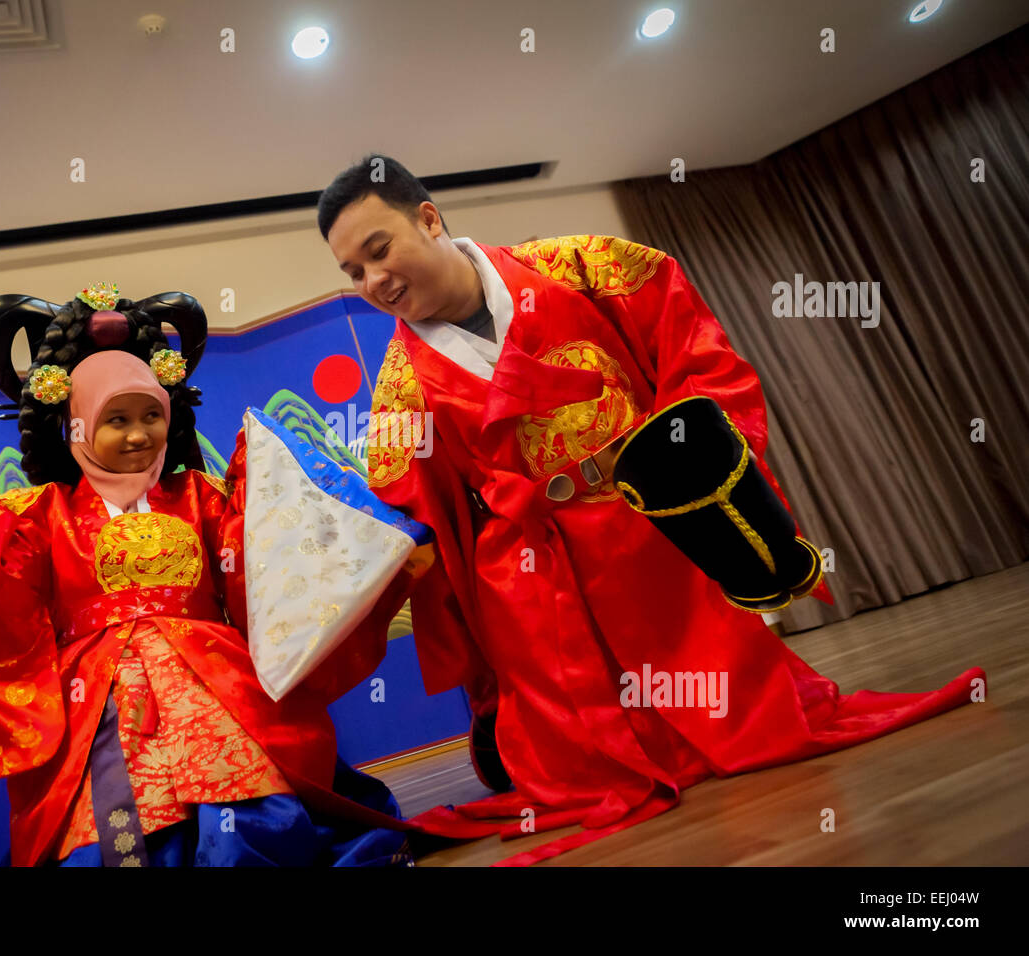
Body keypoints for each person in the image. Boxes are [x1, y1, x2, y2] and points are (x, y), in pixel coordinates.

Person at [316, 154, 987, 865]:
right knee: (588, 764)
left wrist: (698, 482)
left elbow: (698, 367)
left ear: (428, 218)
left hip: (650, 531)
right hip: (537, 575)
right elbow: (415, 518)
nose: (373, 282)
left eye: (378, 251)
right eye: (353, 273)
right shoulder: (398, 383)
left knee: (745, 722)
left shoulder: (584, 267)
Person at [0, 283, 426, 867]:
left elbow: (270, 563)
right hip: (95, 703)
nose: (137, 434)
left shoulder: (206, 497)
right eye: (115, 418)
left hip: (221, 684)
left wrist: (375, 532)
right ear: (75, 427)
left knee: (253, 820)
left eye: (151, 414)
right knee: (110, 836)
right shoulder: (40, 514)